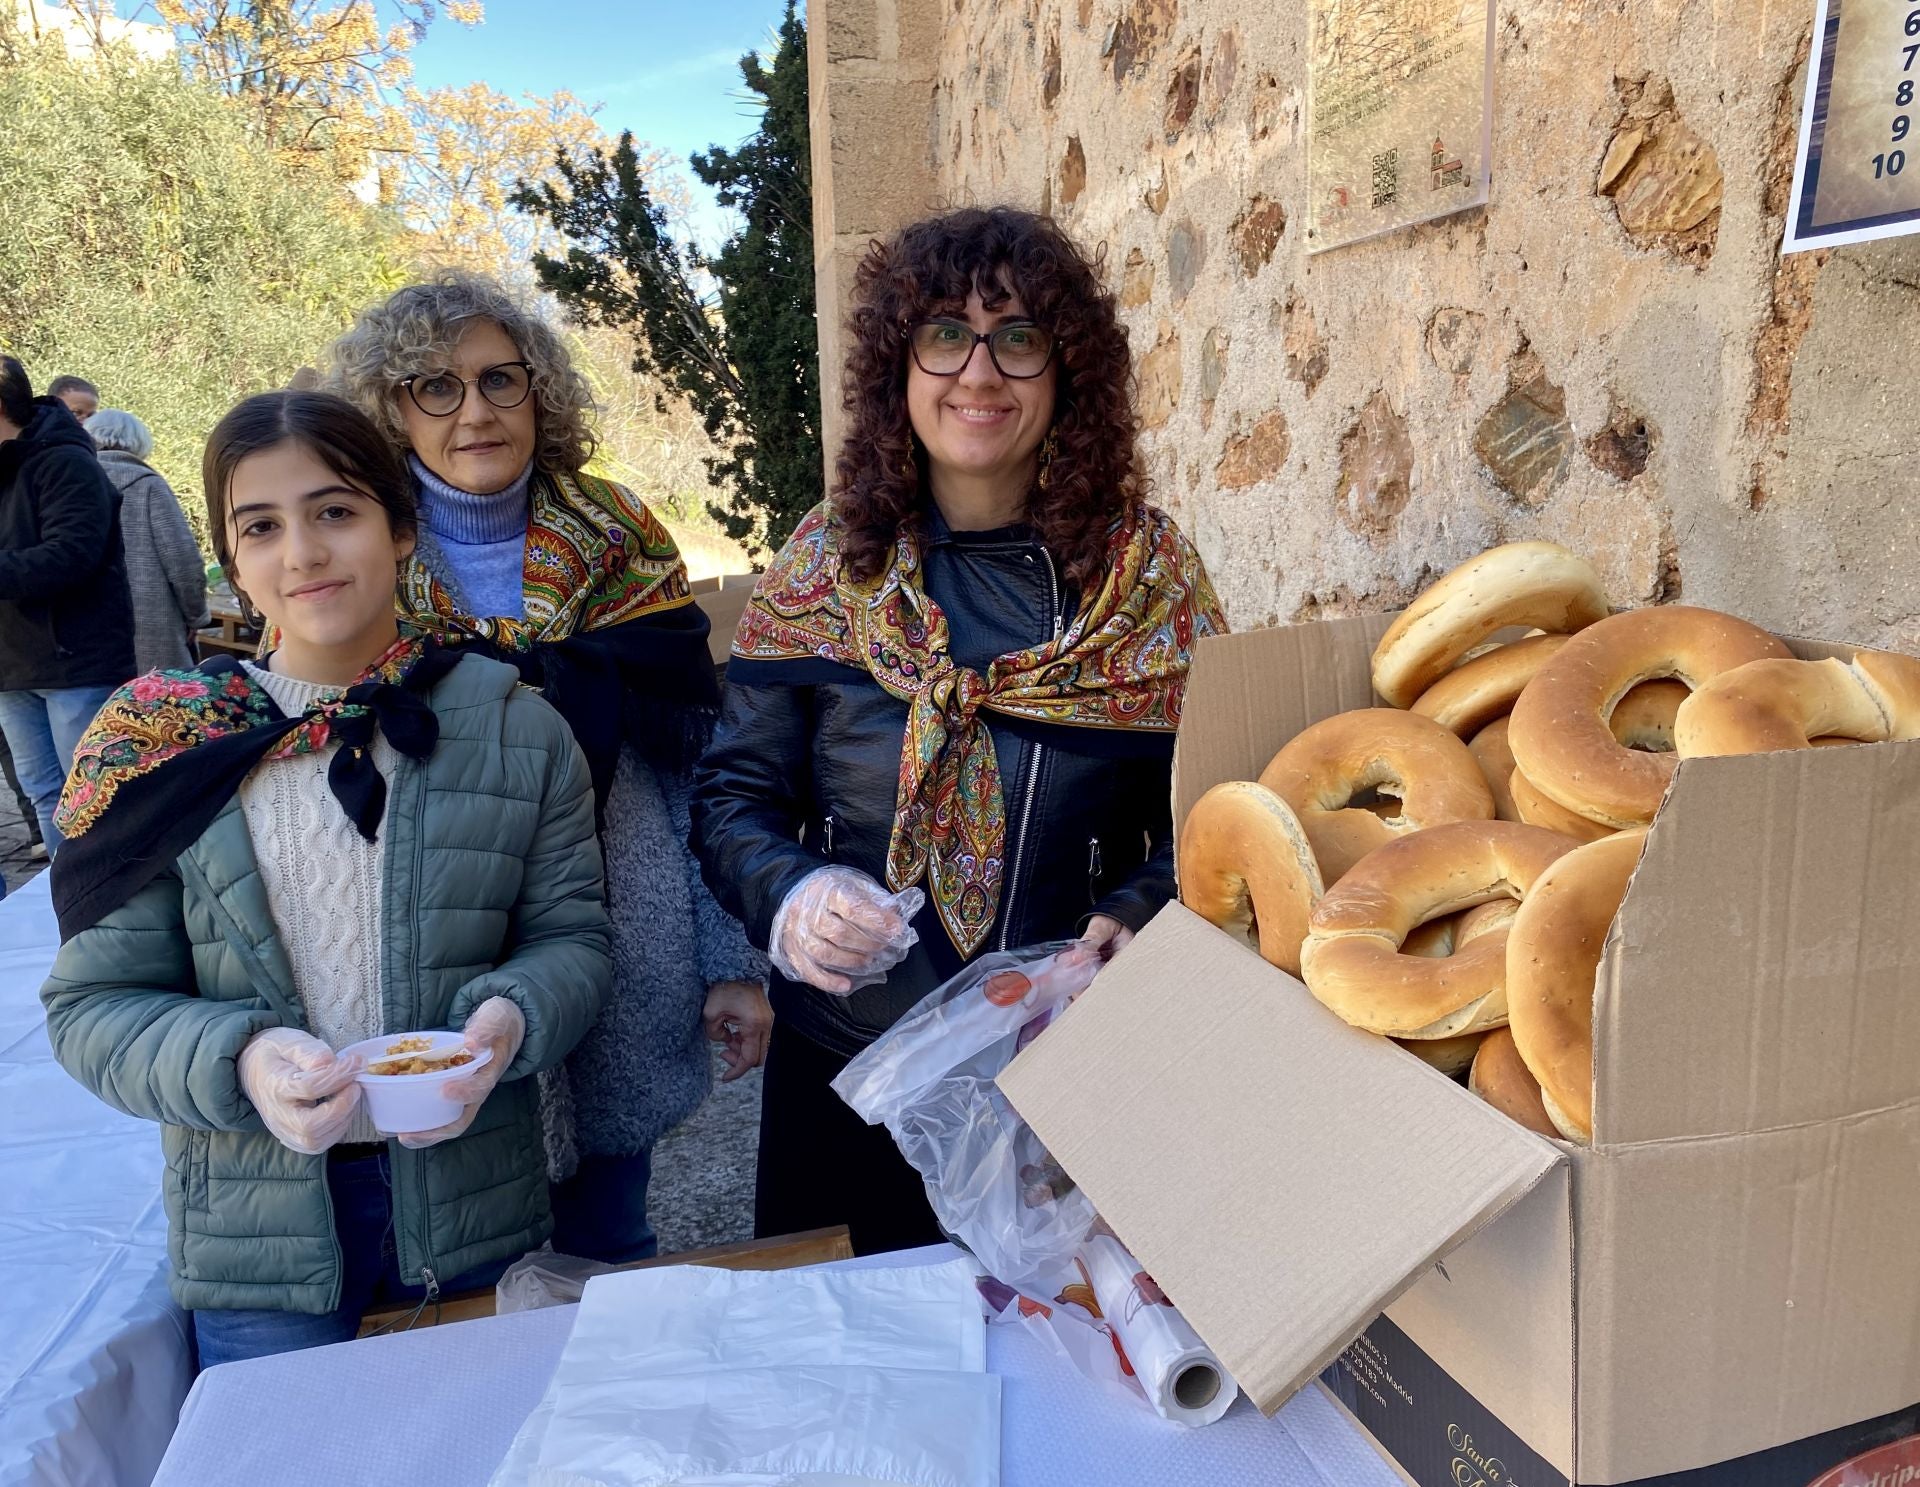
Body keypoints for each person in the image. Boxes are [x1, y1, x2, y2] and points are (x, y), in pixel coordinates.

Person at [690, 206, 1227, 1255]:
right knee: (851, 1377)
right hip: (850, 1074)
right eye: (946, 333)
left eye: (1018, 337)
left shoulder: (1149, 581)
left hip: (1074, 1071)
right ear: (900, 365)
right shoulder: (822, 564)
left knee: (1072, 1366)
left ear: (1066, 371)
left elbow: (1219, 802)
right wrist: (791, 894)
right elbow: (733, 799)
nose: (979, 372)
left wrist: (1138, 907)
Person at [41, 390, 610, 1366]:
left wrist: (512, 1015)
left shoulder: (515, 724)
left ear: (399, 528)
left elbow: (575, 940)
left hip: (475, 1208)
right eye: (261, 525)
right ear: (230, 557)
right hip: (258, 1240)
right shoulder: (164, 744)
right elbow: (92, 1003)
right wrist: (242, 1059)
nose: (301, 551)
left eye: (335, 510)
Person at [329, 273, 768, 1263]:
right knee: (461, 1279)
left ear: (541, 393)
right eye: (434, 387)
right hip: (440, 970)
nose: (475, 409)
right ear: (392, 407)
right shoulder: (351, 557)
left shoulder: (620, 535)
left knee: (612, 1246)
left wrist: (732, 963)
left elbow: (701, 763)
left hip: (627, 950)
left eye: (499, 380)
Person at [0, 356, 135, 854]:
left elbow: (70, 556)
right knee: (45, 797)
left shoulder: (64, 461)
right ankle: (69, 905)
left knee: (98, 799)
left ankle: (117, 911)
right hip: (12, 667)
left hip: (76, 663)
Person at [89, 408, 211, 673]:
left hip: (86, 644)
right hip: (152, 632)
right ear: (140, 445)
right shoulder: (148, 486)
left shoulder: (70, 484)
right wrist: (196, 616)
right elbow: (183, 561)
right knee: (159, 709)